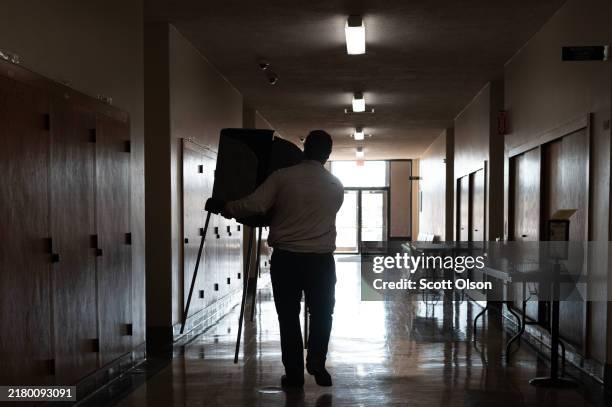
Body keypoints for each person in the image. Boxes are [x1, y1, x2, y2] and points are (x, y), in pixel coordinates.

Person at [206, 130, 344, 388]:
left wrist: (226, 206)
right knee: (323, 313)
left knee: (289, 317)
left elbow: (255, 205)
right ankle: (317, 362)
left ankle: (293, 374)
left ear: (305, 149)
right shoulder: (336, 185)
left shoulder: (283, 177)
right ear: (328, 154)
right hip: (322, 262)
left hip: (287, 260)